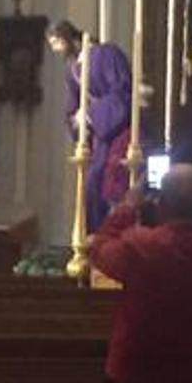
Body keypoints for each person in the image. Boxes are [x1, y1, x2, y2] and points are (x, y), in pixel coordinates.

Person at [89, 165, 192, 383]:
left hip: (132, 374)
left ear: (160, 203)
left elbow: (99, 250)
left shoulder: (139, 246)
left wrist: (127, 208)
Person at [47, 17, 132, 229]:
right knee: (91, 187)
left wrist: (92, 113)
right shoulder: (73, 67)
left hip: (118, 133)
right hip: (99, 137)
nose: (56, 49)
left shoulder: (106, 54)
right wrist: (75, 120)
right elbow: (73, 103)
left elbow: (122, 93)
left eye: (56, 42)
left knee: (106, 183)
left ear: (66, 37)